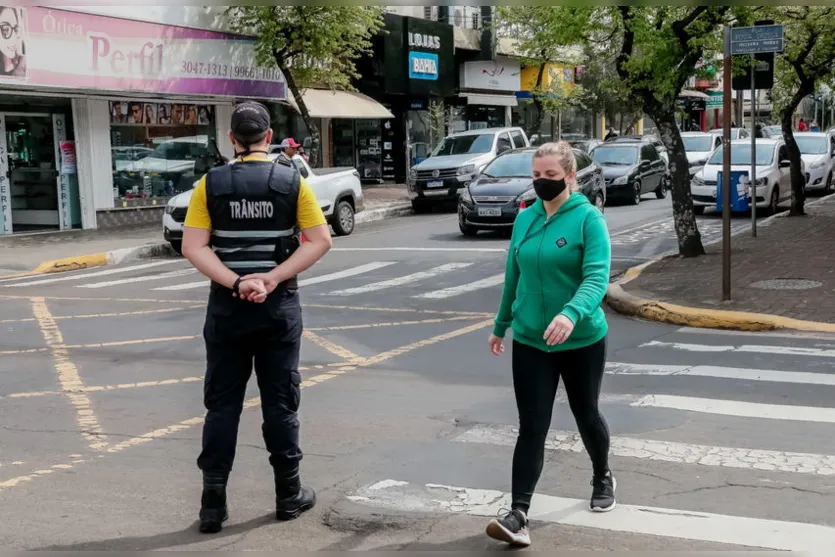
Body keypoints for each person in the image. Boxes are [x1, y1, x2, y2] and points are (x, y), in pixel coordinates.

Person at [181, 101, 333, 534]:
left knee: (221, 406)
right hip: (277, 308)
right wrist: (271, 278)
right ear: (269, 137)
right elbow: (320, 240)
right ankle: (288, 495)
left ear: (231, 139)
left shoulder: (209, 184)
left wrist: (236, 281)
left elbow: (193, 246)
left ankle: (212, 505)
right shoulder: (291, 181)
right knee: (280, 404)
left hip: (227, 309)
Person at [485, 141, 613, 547]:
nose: (542, 182)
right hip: (531, 340)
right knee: (532, 426)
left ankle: (602, 474)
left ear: (570, 177)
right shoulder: (525, 218)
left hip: (581, 339)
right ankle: (518, 514)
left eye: (551, 176)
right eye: (536, 175)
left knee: (586, 413)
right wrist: (501, 324)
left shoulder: (588, 220)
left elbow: (597, 277)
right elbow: (514, 275)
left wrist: (570, 314)